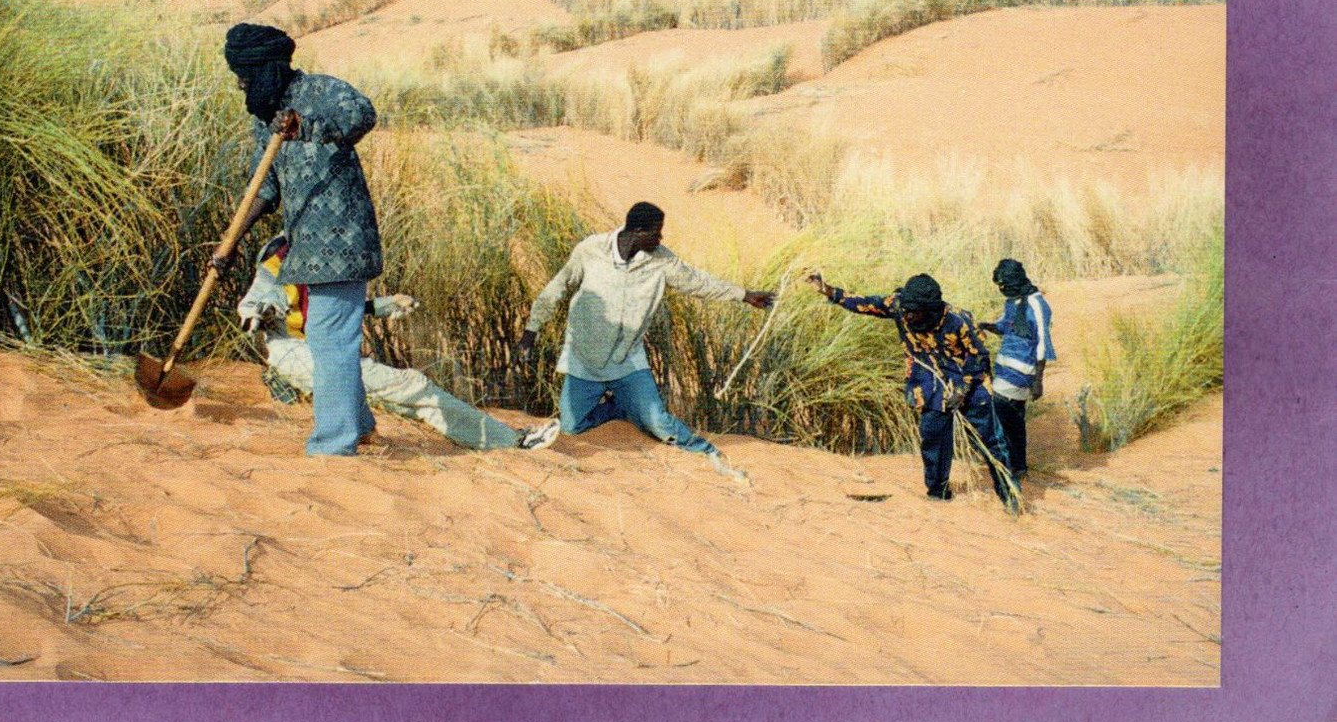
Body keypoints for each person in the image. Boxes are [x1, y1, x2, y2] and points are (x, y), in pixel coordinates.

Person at [210, 23, 383, 456]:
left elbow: (362, 115)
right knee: (332, 339)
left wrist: (304, 125)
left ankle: (333, 445)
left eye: (244, 75)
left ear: (265, 68)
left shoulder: (323, 91)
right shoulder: (266, 117)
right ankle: (358, 425)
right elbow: (263, 187)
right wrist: (228, 244)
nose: (239, 84)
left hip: (344, 243)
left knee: (328, 337)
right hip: (305, 249)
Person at [236, 234, 561, 451]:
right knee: (413, 385)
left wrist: (382, 306)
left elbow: (325, 310)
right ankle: (512, 442)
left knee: (410, 400)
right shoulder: (279, 257)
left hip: (322, 354)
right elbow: (261, 298)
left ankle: (500, 439)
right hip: (300, 355)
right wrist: (256, 311)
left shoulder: (326, 254)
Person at [514, 202, 774, 473]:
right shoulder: (591, 250)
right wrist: (531, 329)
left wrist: (743, 295)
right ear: (637, 231)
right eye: (656, 233)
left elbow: (697, 282)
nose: (660, 239)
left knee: (658, 422)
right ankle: (621, 409)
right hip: (584, 357)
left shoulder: (662, 260)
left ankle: (705, 450)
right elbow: (557, 286)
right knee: (572, 426)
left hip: (628, 359)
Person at [807, 269, 1017, 509]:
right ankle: (938, 494)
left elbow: (979, 355)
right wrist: (828, 290)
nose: (906, 316)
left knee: (990, 441)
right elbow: (864, 303)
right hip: (930, 383)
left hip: (971, 384)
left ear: (930, 309)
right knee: (933, 437)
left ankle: (1010, 496)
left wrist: (962, 389)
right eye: (905, 310)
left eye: (913, 313)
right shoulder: (899, 307)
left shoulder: (958, 320)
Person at [976, 258, 1055, 480]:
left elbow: (1042, 342)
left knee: (1000, 412)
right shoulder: (1013, 301)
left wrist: (1039, 380)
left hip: (1023, 371)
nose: (1002, 290)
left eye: (1004, 285)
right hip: (1004, 367)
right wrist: (986, 326)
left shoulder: (1038, 305)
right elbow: (1005, 327)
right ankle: (1018, 466)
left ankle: (1007, 465)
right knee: (1015, 420)